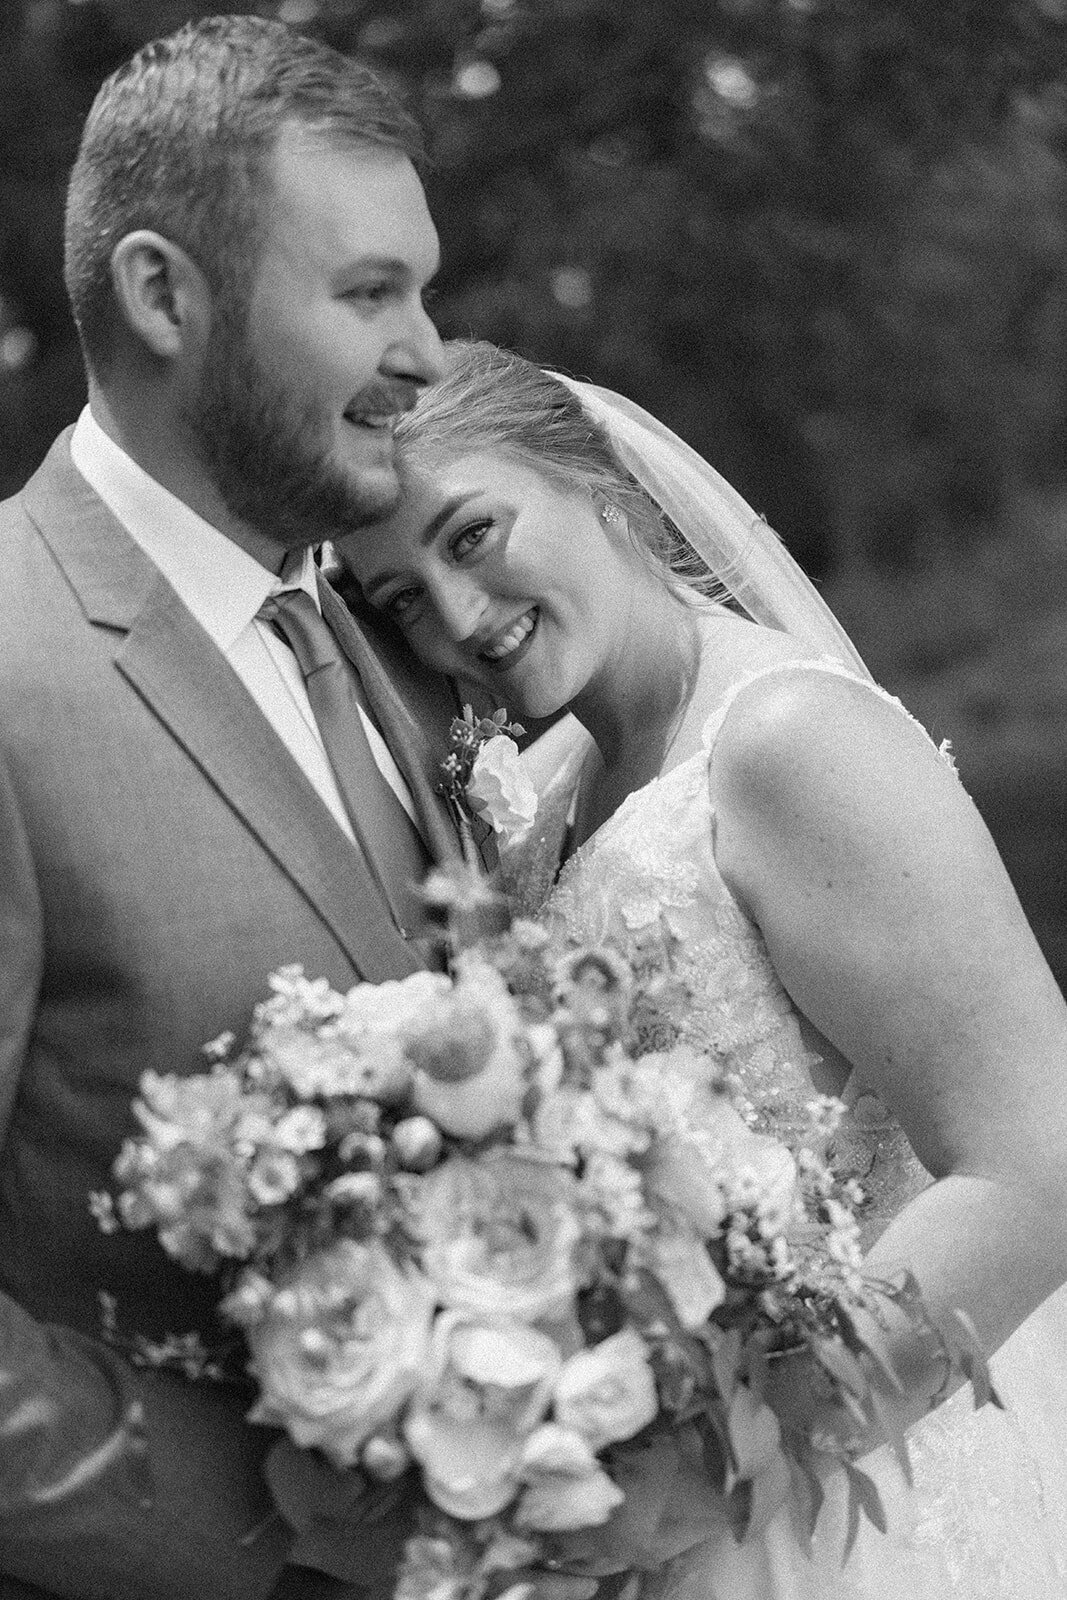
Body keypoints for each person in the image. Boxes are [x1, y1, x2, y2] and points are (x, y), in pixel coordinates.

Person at [338, 338, 1067, 1598]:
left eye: (470, 536)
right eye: (401, 598)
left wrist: (727, 1467)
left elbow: (1037, 1155)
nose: (454, 621)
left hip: (852, 1503)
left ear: (597, 485)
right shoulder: (552, 790)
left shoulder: (784, 742)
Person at [0, 16, 470, 1599]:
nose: (426, 350)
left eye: (421, 287)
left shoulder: (395, 640)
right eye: (367, 295)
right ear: (159, 293)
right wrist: (283, 1536)